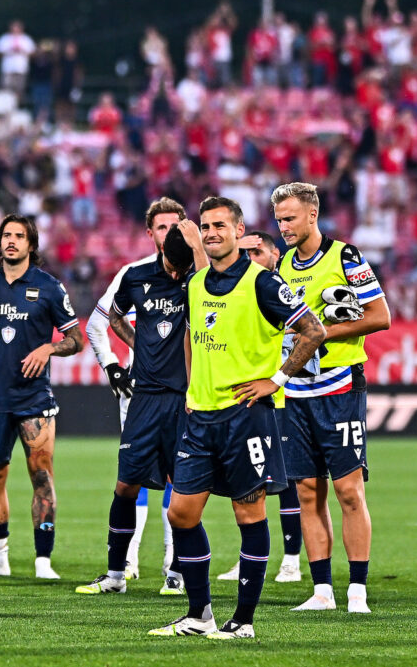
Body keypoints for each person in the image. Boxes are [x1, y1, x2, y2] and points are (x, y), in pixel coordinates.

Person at [148, 196, 324, 640]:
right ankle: (199, 615)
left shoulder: (263, 282)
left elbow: (313, 331)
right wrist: (193, 388)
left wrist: (276, 380)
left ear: (239, 230)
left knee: (249, 516)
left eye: (219, 226)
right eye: (205, 226)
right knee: (181, 514)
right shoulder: (195, 284)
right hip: (200, 418)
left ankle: (243, 621)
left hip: (247, 417)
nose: (211, 233)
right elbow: (193, 337)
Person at [269, 182, 391, 613]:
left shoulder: (345, 257)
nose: (283, 227)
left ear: (312, 215)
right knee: (307, 492)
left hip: (339, 388)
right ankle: (322, 590)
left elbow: (380, 316)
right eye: (279, 220)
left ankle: (357, 591)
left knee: (349, 491)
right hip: (296, 390)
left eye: (290, 218)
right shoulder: (282, 265)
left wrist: (322, 334)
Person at [0, 214, 83, 580]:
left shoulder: (49, 287)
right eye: (6, 235)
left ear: (31, 244)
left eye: (19, 236)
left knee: (42, 476)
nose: (11, 241)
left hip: (34, 400)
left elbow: (76, 339)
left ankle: (43, 561)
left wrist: (49, 348)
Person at [76, 198, 190, 596]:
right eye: (162, 227)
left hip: (186, 397)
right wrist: (114, 364)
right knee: (127, 483)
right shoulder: (134, 274)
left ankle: (176, 571)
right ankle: (119, 571)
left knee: (183, 484)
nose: (169, 234)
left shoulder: (202, 277)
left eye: (176, 226)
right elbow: (101, 322)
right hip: (142, 395)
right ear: (150, 233)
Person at [214, 230, 306, 585]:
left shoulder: (282, 290)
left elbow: (311, 333)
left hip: (283, 400)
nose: (250, 258)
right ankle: (250, 558)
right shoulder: (238, 290)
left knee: (287, 481)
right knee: (249, 484)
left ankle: (292, 560)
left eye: (257, 252)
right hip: (247, 401)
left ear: (274, 254)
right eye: (246, 253)